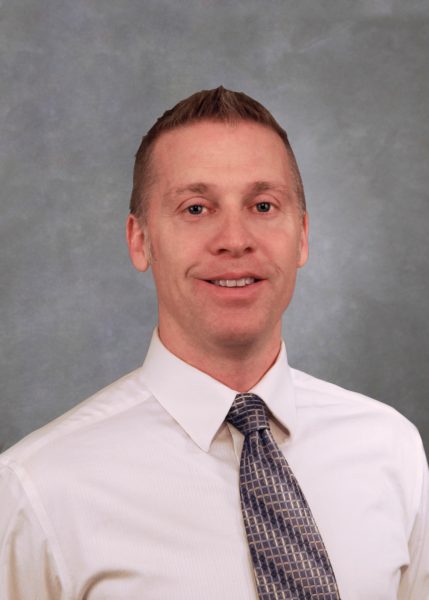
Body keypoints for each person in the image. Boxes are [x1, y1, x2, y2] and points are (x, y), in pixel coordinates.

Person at [0, 87, 427, 599]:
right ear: (140, 240)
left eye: (263, 205)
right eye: (196, 208)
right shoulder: (38, 489)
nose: (234, 239)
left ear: (302, 236)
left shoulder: (391, 449)